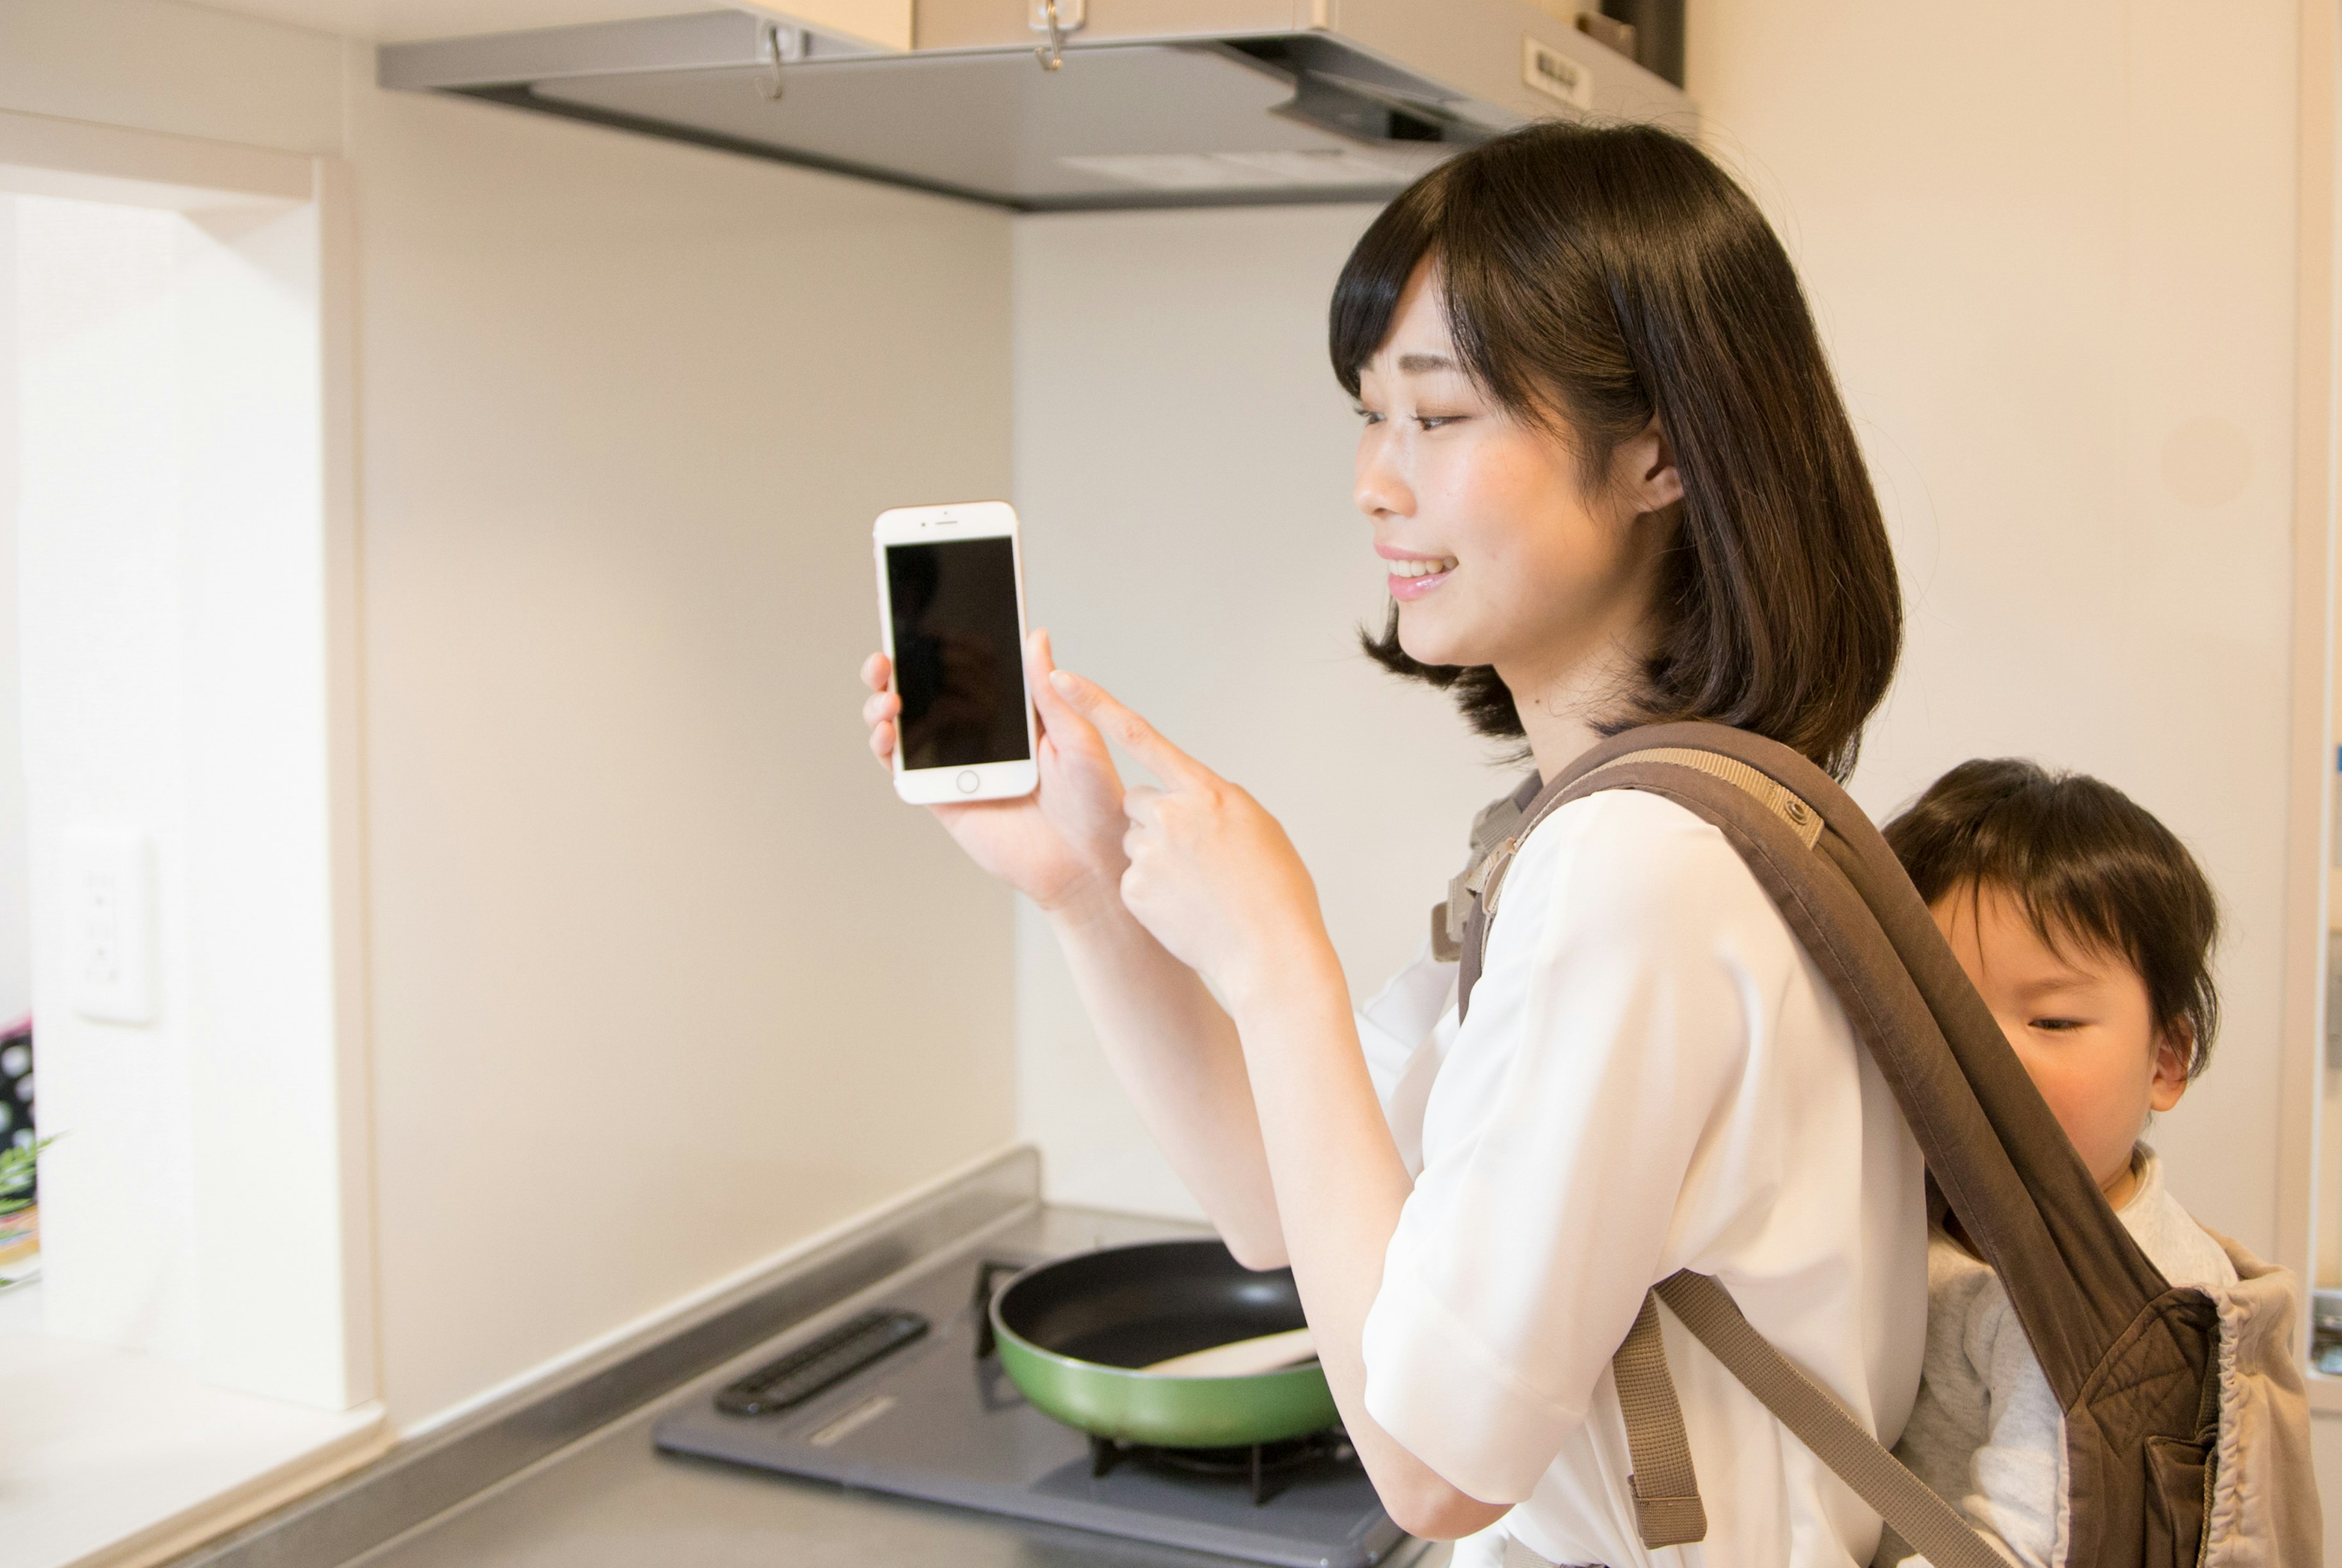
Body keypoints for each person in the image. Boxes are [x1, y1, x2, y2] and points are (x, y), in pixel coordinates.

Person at [859, 123, 1919, 1565]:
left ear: (1660, 451)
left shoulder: (1641, 874)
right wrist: (1088, 887)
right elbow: (1272, 1200)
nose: (1373, 478)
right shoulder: (1624, 828)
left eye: (1441, 415)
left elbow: (1432, 1465)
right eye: (1369, 414)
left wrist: (1279, 951)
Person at [1880, 760, 2232, 1568]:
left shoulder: (2113, 1298)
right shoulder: (1914, 1209)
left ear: (2166, 1060)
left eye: (2053, 1020)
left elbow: (2024, 1547)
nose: (1986, 1057)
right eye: (1939, 1015)